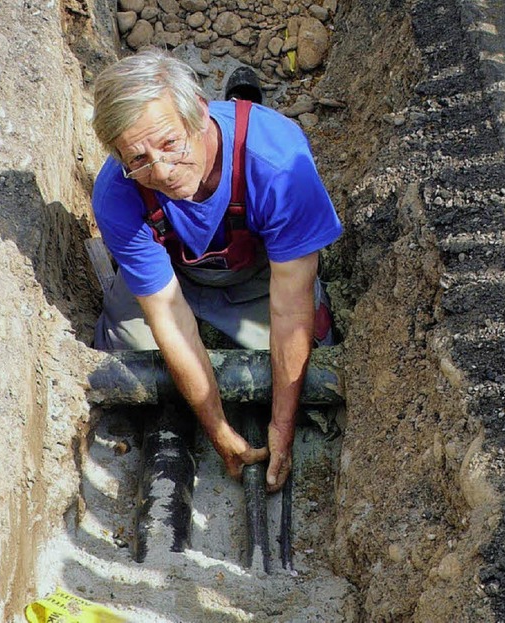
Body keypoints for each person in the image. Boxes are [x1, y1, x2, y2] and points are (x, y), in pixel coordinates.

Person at [90, 49, 342, 493]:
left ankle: (245, 98)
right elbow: (168, 319)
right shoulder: (119, 191)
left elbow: (289, 311)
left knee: (307, 354)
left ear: (200, 117)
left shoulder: (279, 166)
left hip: (258, 277)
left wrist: (281, 428)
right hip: (173, 275)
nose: (162, 171)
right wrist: (218, 427)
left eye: (170, 144)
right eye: (138, 158)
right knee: (124, 352)